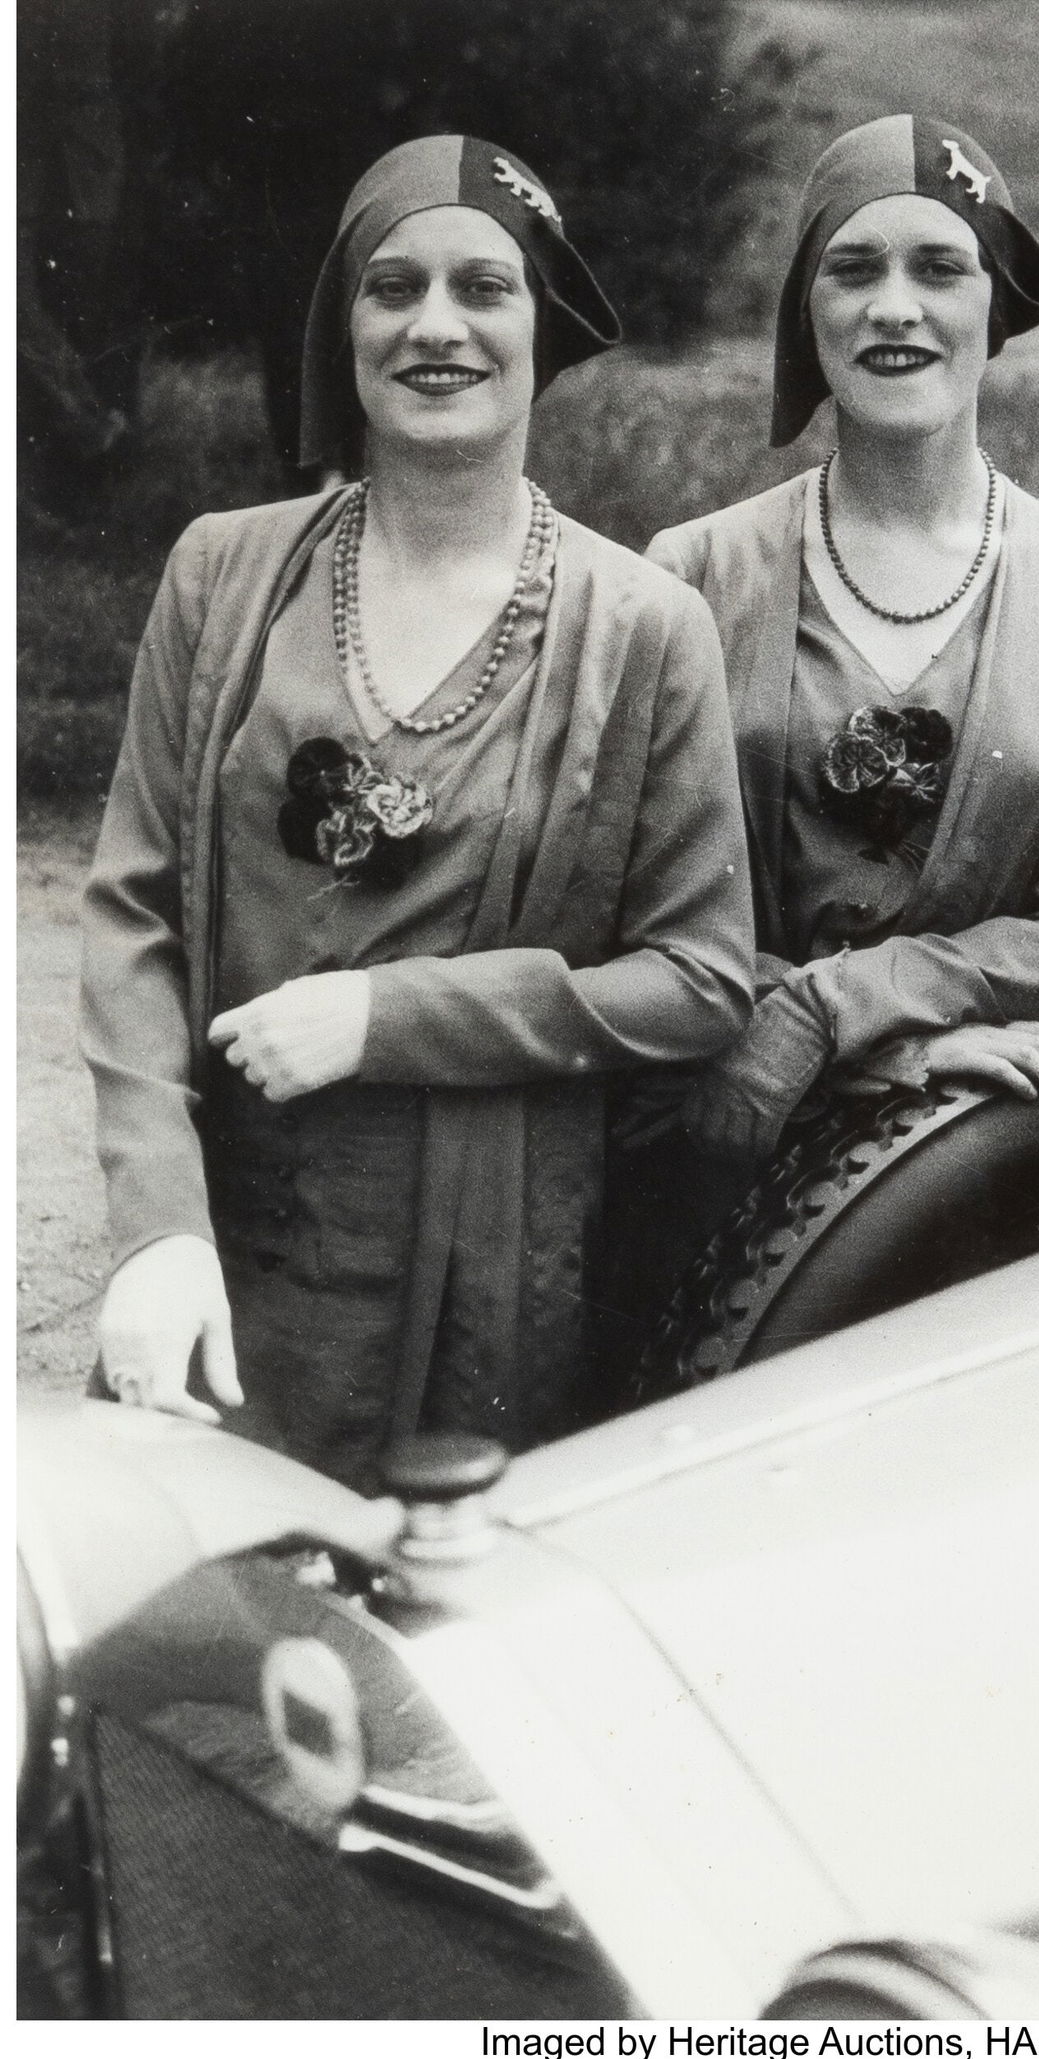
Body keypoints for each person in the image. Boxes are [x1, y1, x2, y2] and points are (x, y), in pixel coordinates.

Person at [82, 136, 754, 1489]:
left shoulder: (644, 629)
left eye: (482, 288)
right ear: (344, 327)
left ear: (542, 321)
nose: (435, 325)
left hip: (488, 1279)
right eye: (392, 287)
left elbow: (700, 979)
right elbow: (132, 910)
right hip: (231, 1257)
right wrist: (155, 1225)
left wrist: (390, 1020)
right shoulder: (223, 576)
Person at [609, 116, 1039, 1367]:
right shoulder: (690, 574)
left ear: (996, 304)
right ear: (804, 310)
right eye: (851, 269)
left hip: (950, 1168)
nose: (893, 308)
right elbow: (643, 906)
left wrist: (842, 1012)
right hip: (701, 1134)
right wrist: (875, 1044)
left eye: (938, 266)